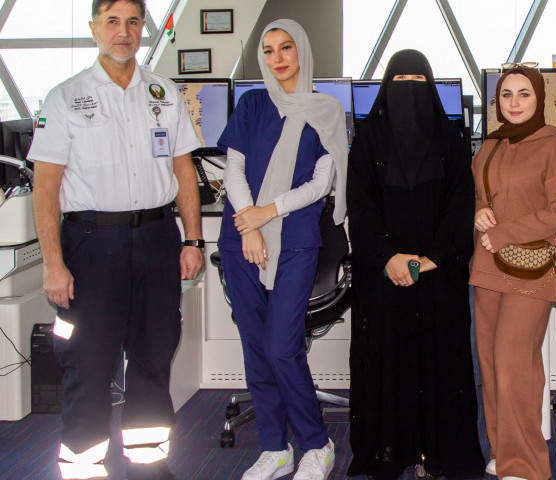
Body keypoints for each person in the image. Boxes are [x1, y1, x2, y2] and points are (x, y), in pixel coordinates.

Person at [28, 1, 203, 478]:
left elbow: (183, 170)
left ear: (143, 28)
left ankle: (148, 467)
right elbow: (45, 187)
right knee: (88, 366)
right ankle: (84, 470)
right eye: (112, 22)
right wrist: (53, 264)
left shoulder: (164, 93)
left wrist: (193, 240)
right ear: (94, 29)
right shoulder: (65, 98)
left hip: (156, 240)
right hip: (91, 246)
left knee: (153, 360)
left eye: (132, 22)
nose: (123, 32)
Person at [217, 19, 349, 480]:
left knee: (281, 346)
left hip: (294, 240)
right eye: (269, 50)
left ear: (302, 51)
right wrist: (249, 224)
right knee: (255, 346)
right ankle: (275, 448)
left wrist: (266, 213)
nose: (277, 58)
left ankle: (316, 442)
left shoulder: (327, 110)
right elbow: (233, 169)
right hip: (241, 238)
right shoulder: (253, 103)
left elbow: (320, 184)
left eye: (286, 47)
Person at [346, 49, 483, 480]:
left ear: (431, 87)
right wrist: (388, 257)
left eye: (418, 81)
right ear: (387, 87)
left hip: (438, 275)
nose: (409, 89)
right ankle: (390, 451)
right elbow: (360, 207)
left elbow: (461, 205)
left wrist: (431, 258)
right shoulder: (367, 139)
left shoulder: (451, 139)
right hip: (382, 277)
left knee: (442, 362)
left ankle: (440, 453)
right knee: (387, 361)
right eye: (400, 81)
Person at [471, 64, 556, 480]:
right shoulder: (490, 144)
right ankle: (503, 452)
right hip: (488, 266)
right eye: (507, 95)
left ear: (539, 99)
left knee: (514, 364)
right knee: (490, 363)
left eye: (524, 94)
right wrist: (479, 211)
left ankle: (525, 464)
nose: (514, 103)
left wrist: (505, 233)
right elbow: (478, 195)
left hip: (533, 269)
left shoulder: (553, 145)